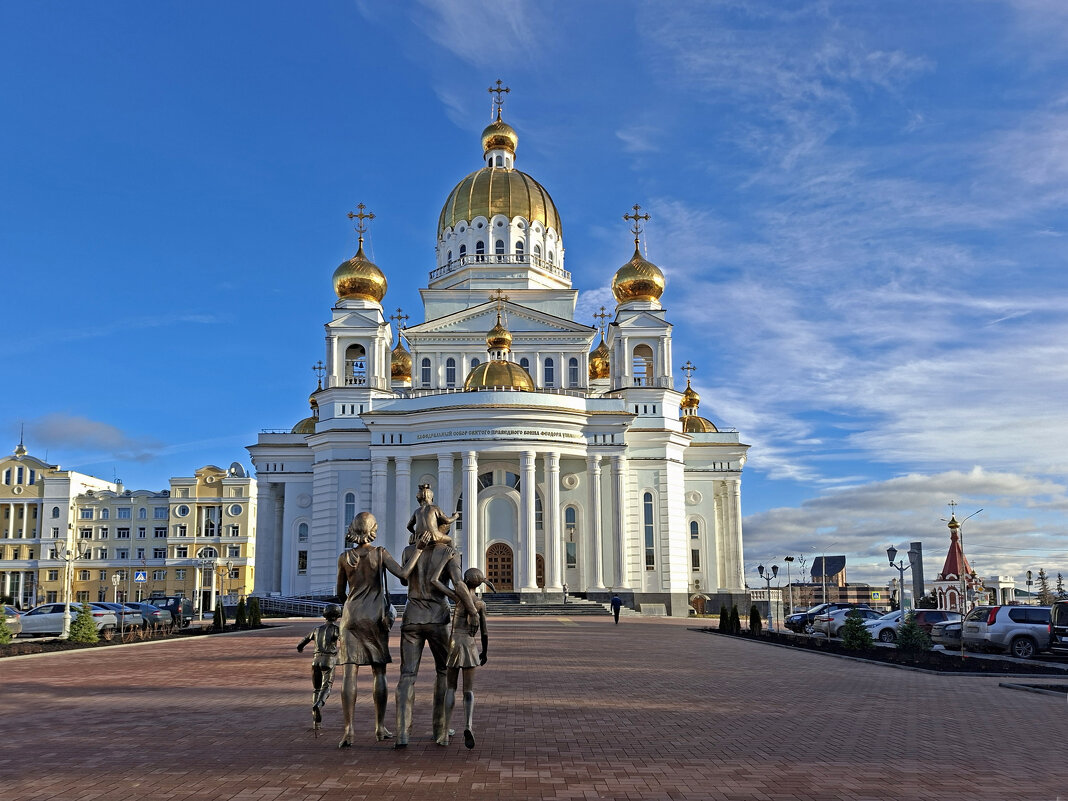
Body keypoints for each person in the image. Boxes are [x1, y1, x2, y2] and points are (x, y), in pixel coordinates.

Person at [394, 484, 478, 748]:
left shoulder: (409, 551)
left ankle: (402, 733)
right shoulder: (449, 551)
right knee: (444, 671)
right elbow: (459, 584)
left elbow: (405, 584)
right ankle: (440, 731)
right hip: (438, 617)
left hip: (411, 617)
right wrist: (472, 610)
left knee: (407, 675)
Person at [335, 511, 427, 748]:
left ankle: (348, 729)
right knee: (379, 673)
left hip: (350, 617)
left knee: (349, 674)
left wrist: (352, 601)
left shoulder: (345, 557)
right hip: (375, 618)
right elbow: (404, 574)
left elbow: (338, 594)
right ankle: (379, 727)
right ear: (372, 530)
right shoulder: (379, 553)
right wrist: (418, 549)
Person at [436, 567, 493, 748]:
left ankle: (444, 733)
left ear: (466, 581)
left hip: (454, 644)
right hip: (470, 646)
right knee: (468, 691)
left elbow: (435, 582)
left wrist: (444, 562)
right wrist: (485, 651)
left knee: (450, 688)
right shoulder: (479, 604)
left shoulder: (459, 598)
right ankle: (468, 725)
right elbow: (484, 632)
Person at [296, 604, 342, 731]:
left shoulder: (316, 630)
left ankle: (316, 722)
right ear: (337, 616)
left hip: (315, 661)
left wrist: (300, 648)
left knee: (316, 689)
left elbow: (302, 642)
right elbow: (343, 640)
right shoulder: (336, 629)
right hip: (329, 660)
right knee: (326, 686)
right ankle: (319, 705)